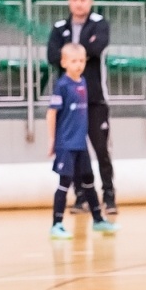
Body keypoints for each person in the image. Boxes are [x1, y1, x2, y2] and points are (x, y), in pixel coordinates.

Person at [47, 0, 115, 218]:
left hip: (94, 100)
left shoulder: (100, 23)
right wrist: (80, 51)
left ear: (90, 1)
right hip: (69, 104)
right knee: (75, 150)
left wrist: (72, 52)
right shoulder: (59, 27)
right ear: (69, 1)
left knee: (101, 149)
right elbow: (52, 55)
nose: (78, 4)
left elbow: (97, 48)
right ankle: (80, 197)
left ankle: (109, 196)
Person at [48, 43, 115, 239]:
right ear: (64, 63)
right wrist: (52, 140)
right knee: (64, 183)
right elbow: (51, 113)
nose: (78, 65)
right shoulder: (62, 85)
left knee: (88, 181)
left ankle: (98, 220)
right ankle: (56, 224)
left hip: (80, 144)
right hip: (66, 144)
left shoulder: (83, 82)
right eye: (74, 61)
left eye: (81, 61)